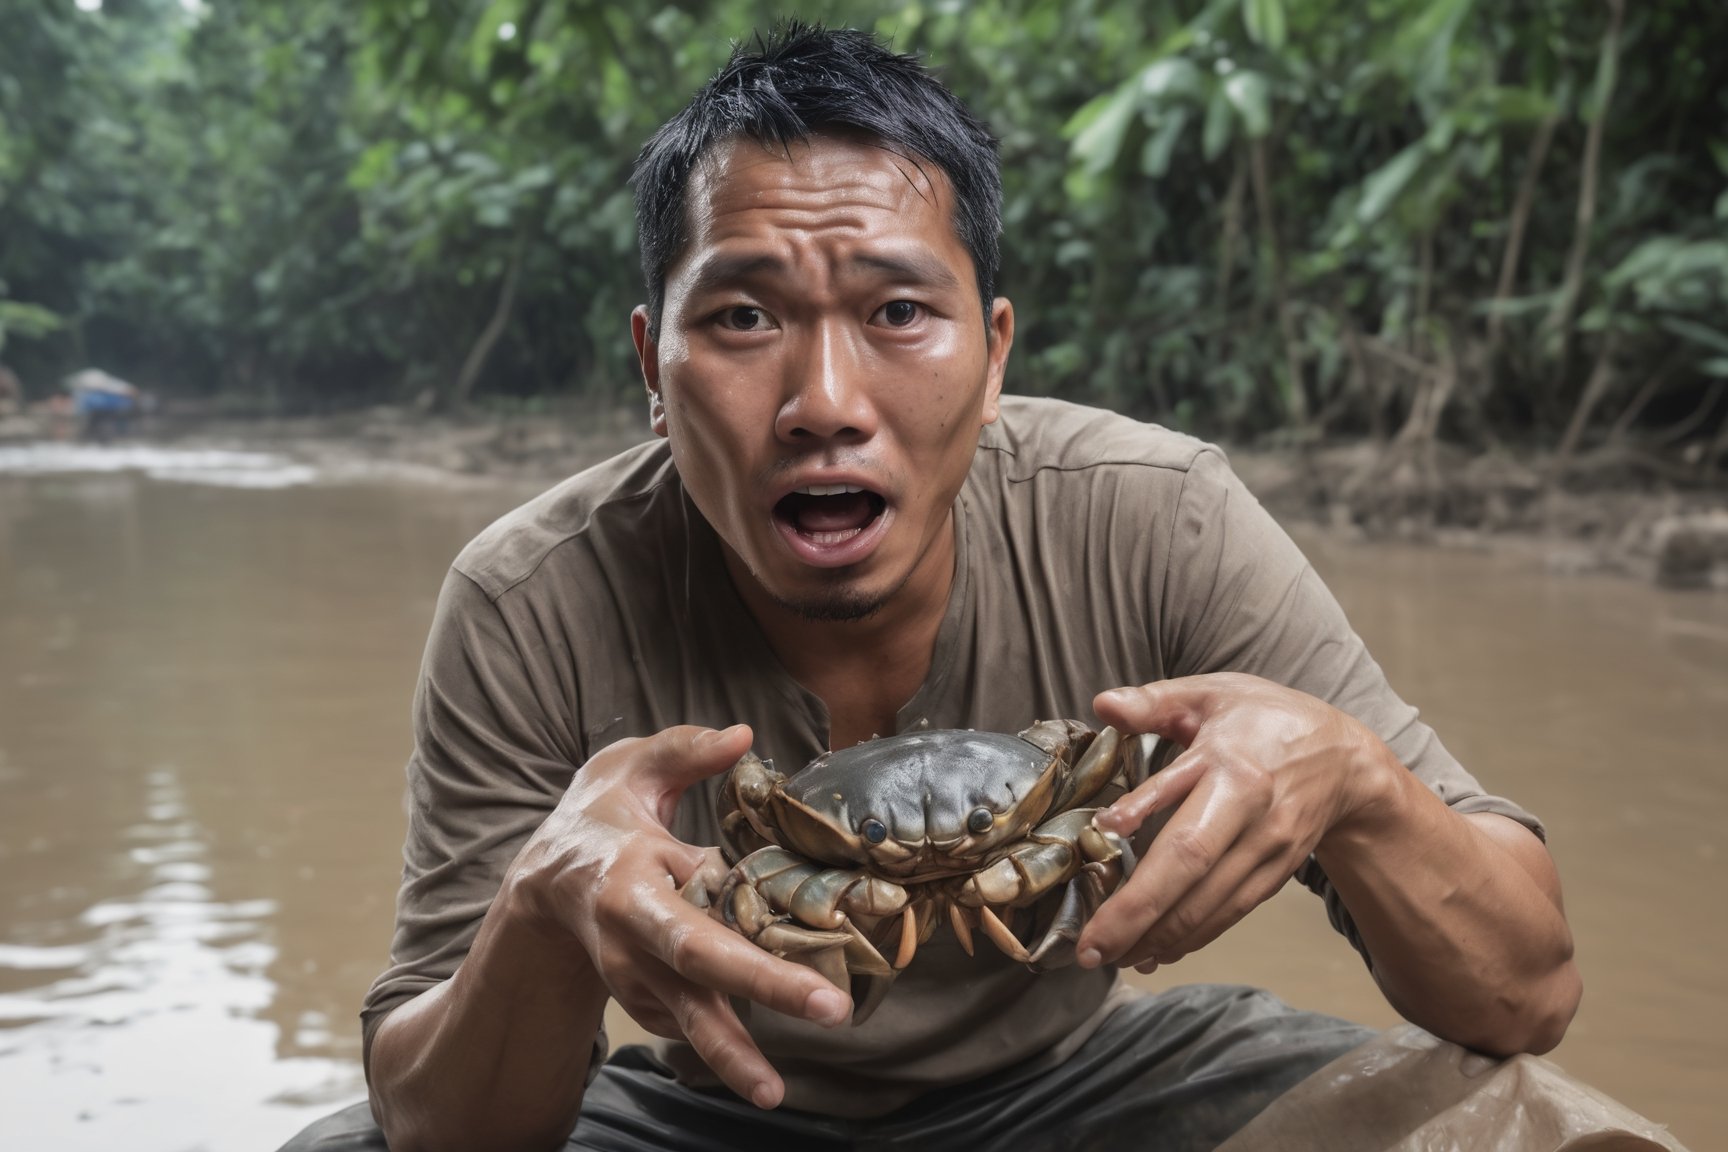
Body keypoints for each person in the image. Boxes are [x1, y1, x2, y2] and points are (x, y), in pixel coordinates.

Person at [284, 24, 1591, 1152]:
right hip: (710, 1112)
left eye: (898, 311)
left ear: (996, 351)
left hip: (1097, 1083)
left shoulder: (1155, 517)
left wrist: (1354, 786)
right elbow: (440, 1124)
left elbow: (1527, 993)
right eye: (742, 317)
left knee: (1538, 1121)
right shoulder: (531, 600)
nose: (824, 404)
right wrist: (544, 909)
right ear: (650, 360)